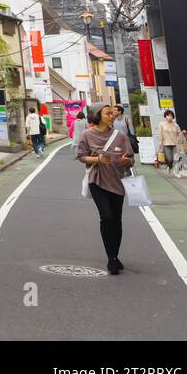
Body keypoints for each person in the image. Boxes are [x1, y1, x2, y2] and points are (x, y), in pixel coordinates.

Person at [76, 102, 133, 275]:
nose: (111, 116)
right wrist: (98, 160)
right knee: (107, 217)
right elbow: (81, 156)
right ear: (97, 115)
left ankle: (115, 255)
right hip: (97, 181)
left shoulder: (121, 136)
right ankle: (111, 259)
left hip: (117, 182)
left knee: (117, 221)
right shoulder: (86, 135)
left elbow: (131, 159)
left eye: (112, 114)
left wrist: (125, 160)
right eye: (108, 113)